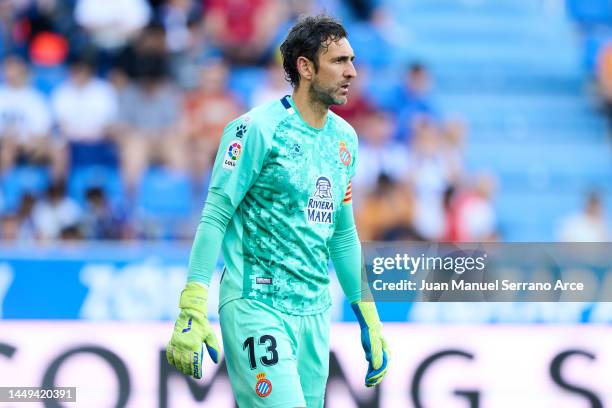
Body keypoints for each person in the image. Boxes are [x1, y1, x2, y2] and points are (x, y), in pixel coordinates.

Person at [166, 15, 389, 408]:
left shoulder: (345, 140)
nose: (352, 72)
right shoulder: (255, 129)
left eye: (352, 60)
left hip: (315, 313)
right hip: (257, 304)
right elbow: (216, 214)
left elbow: (342, 234)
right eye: (339, 61)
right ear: (305, 67)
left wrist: (368, 315)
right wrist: (192, 304)